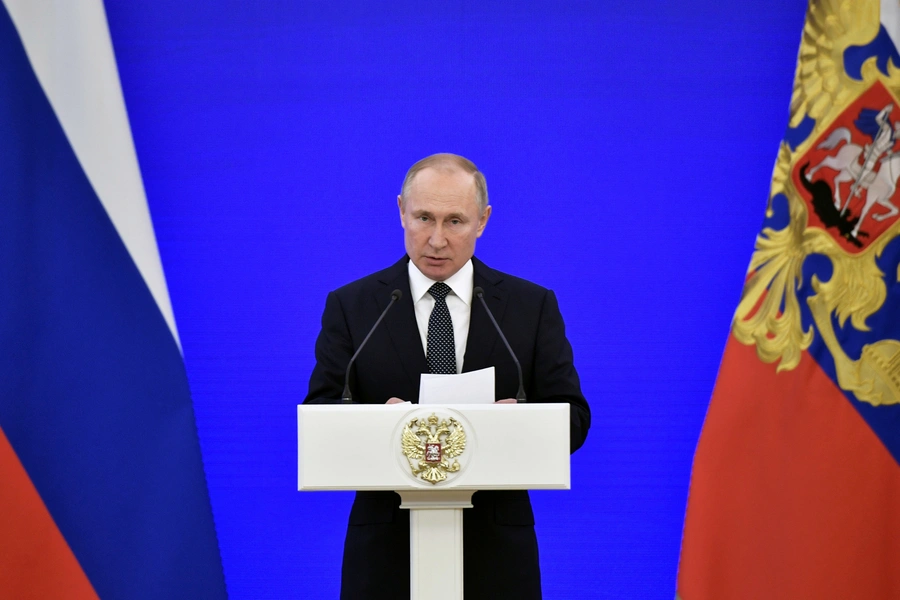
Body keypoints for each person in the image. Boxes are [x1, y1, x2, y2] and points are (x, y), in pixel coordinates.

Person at [303, 153, 590, 600]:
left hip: (496, 554)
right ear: (401, 210)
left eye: (455, 221)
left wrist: (519, 421)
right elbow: (320, 416)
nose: (436, 239)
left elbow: (574, 420)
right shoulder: (353, 307)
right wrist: (379, 424)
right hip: (385, 552)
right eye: (423, 218)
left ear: (483, 221)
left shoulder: (530, 307)